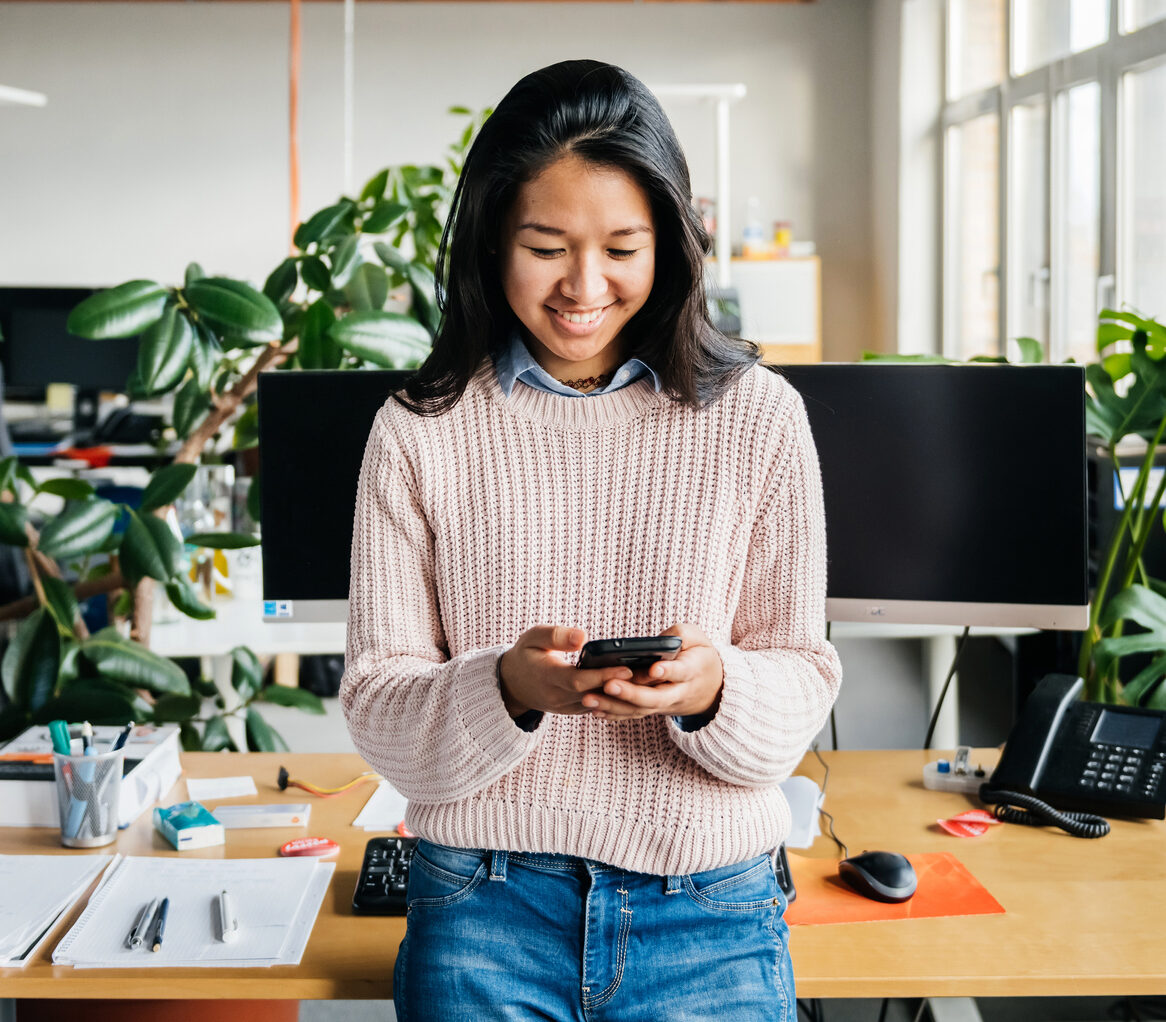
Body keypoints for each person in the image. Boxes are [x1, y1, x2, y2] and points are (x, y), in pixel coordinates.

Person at [341, 58, 842, 1022]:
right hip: (482, 904)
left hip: (709, 909)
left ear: (671, 246)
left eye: (622, 246)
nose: (584, 285)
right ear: (493, 241)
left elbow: (804, 676)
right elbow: (377, 704)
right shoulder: (418, 429)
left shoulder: (759, 418)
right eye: (546, 245)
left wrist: (715, 687)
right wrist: (508, 688)